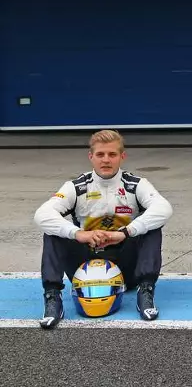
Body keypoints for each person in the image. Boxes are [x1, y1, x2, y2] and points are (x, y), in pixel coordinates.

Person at [33, 129, 174, 329]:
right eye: (100, 154)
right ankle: (52, 297)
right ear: (91, 157)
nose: (106, 160)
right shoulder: (77, 186)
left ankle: (146, 291)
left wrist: (124, 233)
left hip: (127, 267)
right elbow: (42, 214)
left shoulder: (136, 184)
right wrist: (79, 234)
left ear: (122, 157)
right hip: (83, 265)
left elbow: (164, 209)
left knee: (152, 226)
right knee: (53, 230)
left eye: (112, 154)